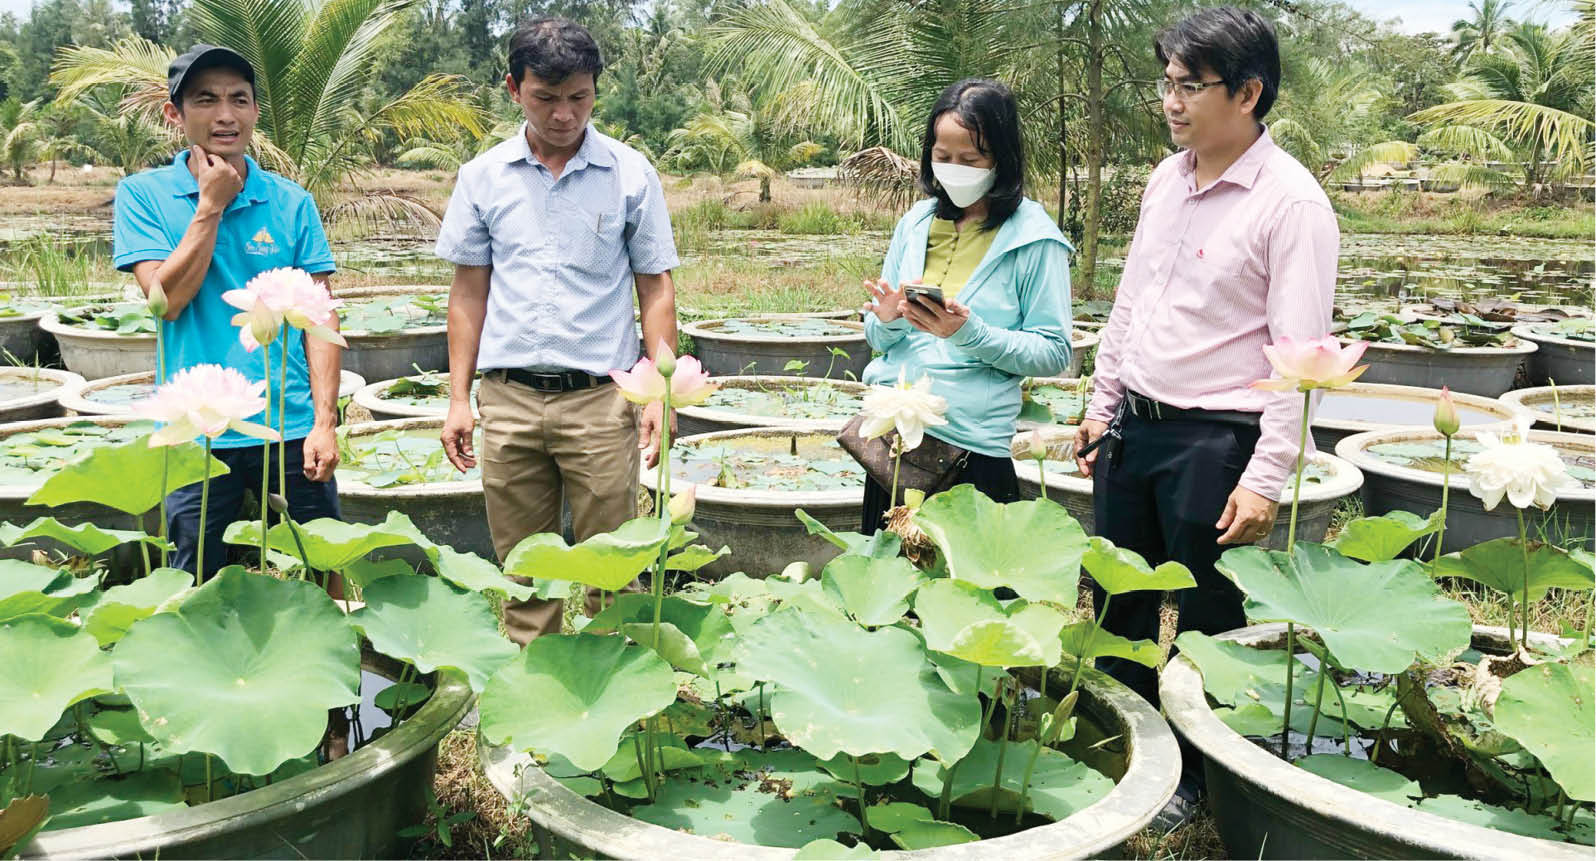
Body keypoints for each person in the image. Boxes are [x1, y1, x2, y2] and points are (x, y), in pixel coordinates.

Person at [1072, 7, 1339, 823]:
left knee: (1204, 615)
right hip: (1136, 426)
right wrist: (1100, 403)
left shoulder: (1291, 205)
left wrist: (1264, 480)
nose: (1173, 101)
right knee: (1118, 602)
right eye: (1168, 83)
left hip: (1216, 439)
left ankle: (1198, 783)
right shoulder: (1167, 177)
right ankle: (1127, 760)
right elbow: (1132, 301)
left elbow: (1301, 359)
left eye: (1192, 85)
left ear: (1250, 92)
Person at [436, 17, 679, 645]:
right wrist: (460, 398)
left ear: (596, 89)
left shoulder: (629, 174)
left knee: (613, 571)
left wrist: (658, 393)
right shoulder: (482, 177)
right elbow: (468, 293)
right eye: (546, 98)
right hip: (510, 398)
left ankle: (613, 710)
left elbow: (655, 287)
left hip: (601, 397)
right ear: (514, 89)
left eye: (579, 97)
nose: (564, 114)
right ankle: (530, 721)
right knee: (523, 574)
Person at [113, 44, 344, 581]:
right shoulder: (142, 196)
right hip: (195, 429)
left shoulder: (290, 202)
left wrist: (325, 423)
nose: (225, 115)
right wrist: (210, 204)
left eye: (239, 99)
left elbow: (321, 317)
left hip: (287, 422)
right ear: (176, 114)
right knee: (194, 575)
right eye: (206, 99)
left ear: (255, 112)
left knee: (322, 563)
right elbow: (166, 302)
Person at [860, 78, 1073, 532]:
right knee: (885, 586)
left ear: (1002, 160)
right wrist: (888, 318)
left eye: (970, 159)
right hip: (895, 438)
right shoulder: (915, 224)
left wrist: (968, 334)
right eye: (942, 157)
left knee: (968, 590)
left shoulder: (1034, 239)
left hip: (972, 448)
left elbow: (1054, 351)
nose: (953, 169)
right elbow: (879, 340)